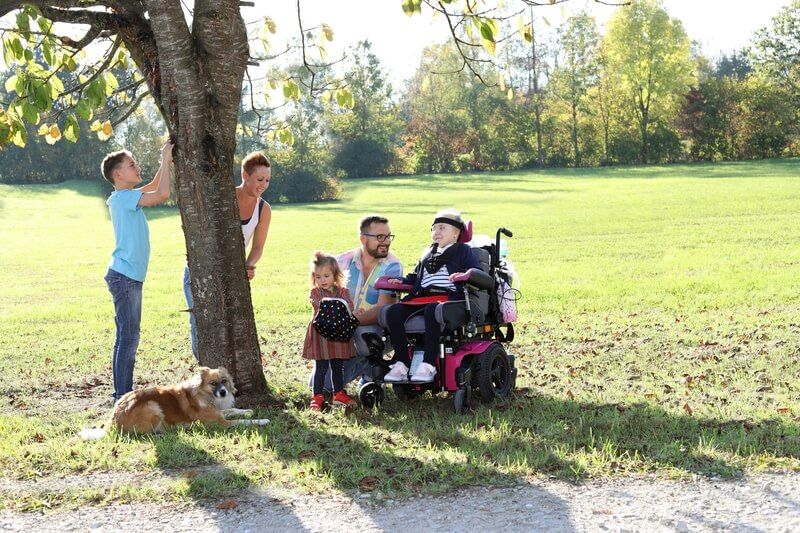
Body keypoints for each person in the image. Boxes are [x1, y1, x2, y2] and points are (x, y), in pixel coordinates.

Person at [101, 141, 173, 401]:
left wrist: (167, 160)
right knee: (129, 338)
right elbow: (163, 195)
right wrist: (165, 160)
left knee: (126, 336)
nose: (137, 167)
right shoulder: (124, 198)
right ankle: (123, 396)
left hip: (126, 276)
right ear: (117, 174)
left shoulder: (124, 197)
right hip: (125, 277)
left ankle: (121, 393)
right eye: (132, 164)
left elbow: (154, 186)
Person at [183, 151, 272, 359]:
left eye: (267, 180)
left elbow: (258, 247)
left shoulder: (263, 209)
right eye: (260, 179)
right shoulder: (224, 198)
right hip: (198, 273)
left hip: (232, 275)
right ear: (245, 175)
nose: (264, 184)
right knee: (202, 324)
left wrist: (247, 267)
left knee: (229, 326)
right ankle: (205, 370)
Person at [383, 209, 480, 383]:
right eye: (434, 229)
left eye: (442, 228)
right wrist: (401, 281)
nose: (436, 232)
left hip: (451, 299)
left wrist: (465, 275)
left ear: (456, 233)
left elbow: (476, 272)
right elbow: (416, 277)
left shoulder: (463, 251)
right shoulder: (427, 253)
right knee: (393, 311)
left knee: (432, 309)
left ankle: (428, 364)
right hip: (423, 297)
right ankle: (402, 363)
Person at [334, 215, 403, 386]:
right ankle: (372, 368)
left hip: (375, 328)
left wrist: (349, 322)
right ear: (363, 239)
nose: (386, 242)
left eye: (388, 236)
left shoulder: (392, 266)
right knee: (320, 385)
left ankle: (373, 373)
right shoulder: (342, 262)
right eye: (380, 237)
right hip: (341, 328)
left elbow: (382, 309)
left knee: (364, 336)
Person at [303, 252, 357, 411]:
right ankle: (317, 396)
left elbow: (349, 306)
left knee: (337, 365)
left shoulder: (343, 292)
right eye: (318, 277)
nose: (322, 280)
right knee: (321, 366)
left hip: (339, 335)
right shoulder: (316, 293)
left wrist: (345, 306)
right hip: (322, 334)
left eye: (326, 276)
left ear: (335, 275)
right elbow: (320, 305)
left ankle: (338, 393)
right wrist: (338, 305)